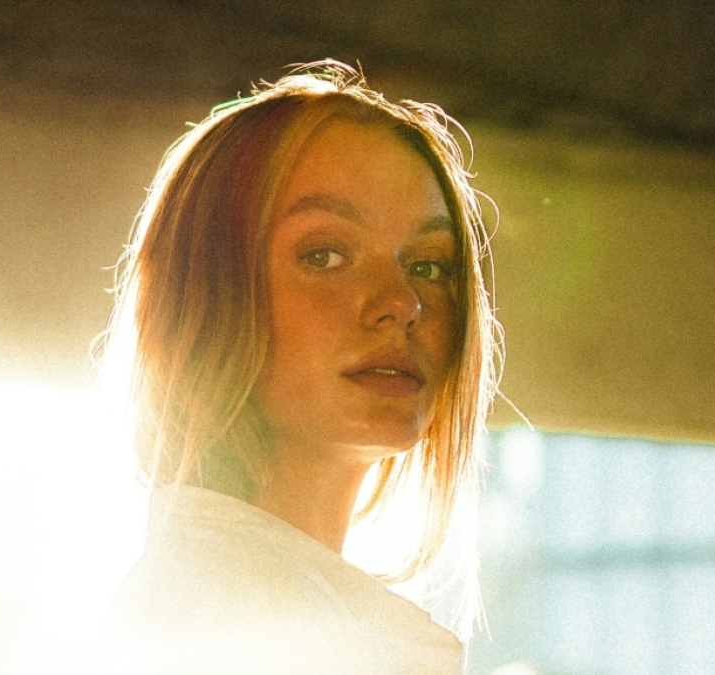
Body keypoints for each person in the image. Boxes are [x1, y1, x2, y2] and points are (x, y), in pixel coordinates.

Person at [104, 60, 500, 674]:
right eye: (325, 255)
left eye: (428, 265)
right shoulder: (220, 621)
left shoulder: (263, 605)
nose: (402, 302)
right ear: (201, 293)